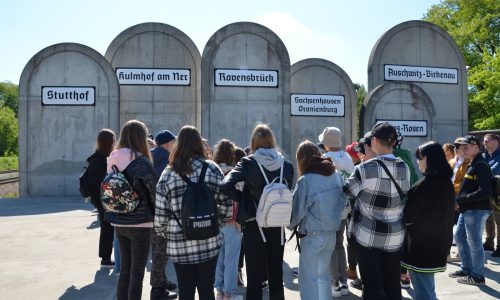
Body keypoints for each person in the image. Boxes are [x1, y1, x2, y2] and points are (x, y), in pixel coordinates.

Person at [155, 126, 232, 300]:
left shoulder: (168, 173)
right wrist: (216, 224)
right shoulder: (212, 168)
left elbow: (160, 217)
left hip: (179, 243)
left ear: (178, 145)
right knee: (206, 290)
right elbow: (227, 203)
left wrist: (168, 232)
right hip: (209, 240)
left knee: (186, 291)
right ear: (199, 144)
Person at [221, 123, 294, 300]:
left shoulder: (248, 163)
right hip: (277, 225)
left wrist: (246, 200)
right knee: (276, 276)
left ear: (253, 142)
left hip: (254, 224)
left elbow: (225, 185)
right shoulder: (286, 164)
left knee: (254, 278)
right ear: (272, 141)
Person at [344, 122, 410, 300]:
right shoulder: (404, 166)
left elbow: (348, 192)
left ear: (373, 141)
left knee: (372, 285)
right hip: (395, 236)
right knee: (392, 284)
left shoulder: (364, 169)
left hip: (369, 236)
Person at [105, 120, 159, 300]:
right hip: (141, 223)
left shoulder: (113, 158)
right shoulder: (141, 161)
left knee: (125, 272)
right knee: (137, 275)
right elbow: (154, 191)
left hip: (119, 221)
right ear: (141, 138)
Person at [288, 140, 346, 300]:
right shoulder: (336, 175)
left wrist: (289, 225)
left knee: (308, 281)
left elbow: (297, 213)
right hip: (331, 234)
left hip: (312, 236)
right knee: (323, 278)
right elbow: (344, 202)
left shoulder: (306, 180)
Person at [401, 141, 455, 300]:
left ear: (430, 159)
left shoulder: (424, 185)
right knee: (427, 287)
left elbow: (409, 216)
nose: (418, 162)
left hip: (421, 246)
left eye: (420, 158)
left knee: (424, 292)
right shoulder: (446, 182)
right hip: (439, 242)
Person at [449, 135, 493, 285]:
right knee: (460, 237)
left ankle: (478, 276)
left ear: (476, 147)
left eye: (466, 147)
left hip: (476, 210)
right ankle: (467, 268)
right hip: (468, 210)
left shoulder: (480, 165)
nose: (463, 149)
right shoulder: (473, 163)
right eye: (462, 147)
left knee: (474, 243)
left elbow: (485, 191)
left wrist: (464, 198)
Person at [317, 126, 354, 297]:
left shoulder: (325, 158)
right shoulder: (347, 157)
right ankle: (344, 282)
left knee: (330, 247)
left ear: (325, 143)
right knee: (339, 245)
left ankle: (335, 283)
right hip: (344, 207)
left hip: (329, 209)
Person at [212, 139, 243, 300]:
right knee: (232, 258)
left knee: (218, 257)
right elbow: (241, 198)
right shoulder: (236, 173)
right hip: (233, 221)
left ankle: (218, 290)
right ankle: (229, 293)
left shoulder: (212, 171)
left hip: (215, 222)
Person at [150, 130, 177, 300]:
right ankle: (157, 290)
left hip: (149, 212)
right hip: (163, 212)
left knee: (157, 251)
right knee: (161, 252)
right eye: (174, 143)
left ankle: (162, 280)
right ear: (167, 144)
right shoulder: (167, 160)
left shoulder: (150, 157)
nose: (175, 146)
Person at [86, 128, 117, 269]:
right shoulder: (104, 161)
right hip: (105, 198)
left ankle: (105, 257)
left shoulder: (94, 158)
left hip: (98, 198)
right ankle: (105, 259)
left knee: (107, 227)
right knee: (107, 228)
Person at [483, 133, 500, 256]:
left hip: (498, 192)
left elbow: (492, 171)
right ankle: (489, 242)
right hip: (487, 191)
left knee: (498, 220)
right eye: (484, 140)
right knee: (488, 219)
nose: (484, 142)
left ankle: (499, 247)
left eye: (487, 140)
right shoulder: (484, 156)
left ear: (496, 141)